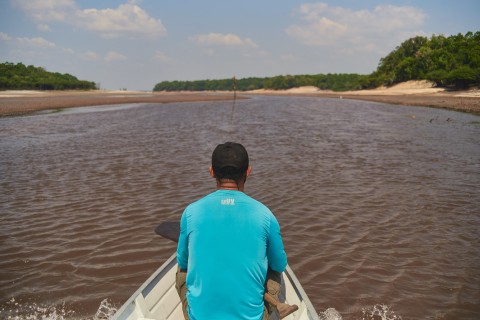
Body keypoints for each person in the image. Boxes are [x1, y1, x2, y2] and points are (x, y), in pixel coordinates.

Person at [176, 142, 298, 320]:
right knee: (274, 270)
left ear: (211, 172)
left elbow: (183, 261)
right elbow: (279, 265)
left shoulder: (191, 212)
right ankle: (272, 307)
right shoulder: (265, 214)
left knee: (180, 268)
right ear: (248, 171)